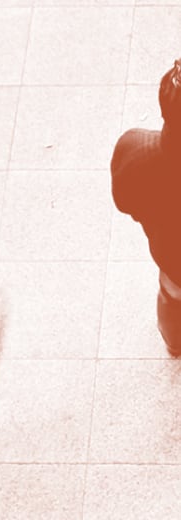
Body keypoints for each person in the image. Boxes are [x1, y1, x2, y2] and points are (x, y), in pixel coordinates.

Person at [111, 57, 181, 357]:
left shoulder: (133, 150)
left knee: (173, 294)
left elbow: (124, 202)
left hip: (171, 254)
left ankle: (175, 344)